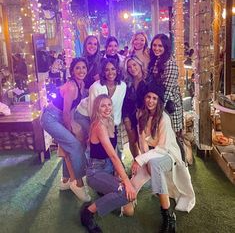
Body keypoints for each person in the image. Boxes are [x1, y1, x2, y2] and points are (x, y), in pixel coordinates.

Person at [130, 83, 195, 232]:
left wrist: (140, 159)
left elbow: (163, 148)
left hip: (168, 154)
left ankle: (168, 216)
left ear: (159, 101)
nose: (150, 101)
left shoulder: (163, 118)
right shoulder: (140, 114)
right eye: (148, 97)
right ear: (144, 98)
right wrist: (143, 159)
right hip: (151, 155)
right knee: (137, 179)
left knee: (154, 165)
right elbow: (142, 141)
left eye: (154, 98)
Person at [80, 94, 136, 233]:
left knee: (130, 210)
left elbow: (115, 153)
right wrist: (126, 181)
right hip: (96, 171)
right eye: (103, 106)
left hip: (109, 167)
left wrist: (119, 172)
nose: (107, 108)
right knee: (125, 193)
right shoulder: (99, 126)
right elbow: (112, 155)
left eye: (109, 105)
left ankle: (105, 192)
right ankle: (87, 213)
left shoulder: (110, 122)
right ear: (97, 109)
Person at [40, 57, 90, 202]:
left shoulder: (81, 85)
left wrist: (74, 126)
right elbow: (66, 113)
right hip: (50, 118)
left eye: (83, 68)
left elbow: (71, 110)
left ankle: (66, 180)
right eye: (77, 68)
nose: (81, 71)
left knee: (70, 144)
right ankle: (78, 183)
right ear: (72, 71)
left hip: (60, 117)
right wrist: (71, 129)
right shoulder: (72, 86)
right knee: (74, 145)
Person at [88, 58, 126, 157]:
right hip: (98, 124)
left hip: (113, 125)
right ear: (103, 72)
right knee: (100, 155)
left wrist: (113, 125)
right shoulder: (95, 87)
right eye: (107, 69)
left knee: (113, 154)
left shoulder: (123, 86)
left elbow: (118, 109)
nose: (110, 72)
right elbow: (91, 111)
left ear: (117, 70)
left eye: (113, 69)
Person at [148, 34, 184, 136]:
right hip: (158, 103)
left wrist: (157, 113)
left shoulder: (170, 64)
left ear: (166, 47)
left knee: (171, 139)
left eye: (160, 46)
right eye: (154, 45)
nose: (156, 48)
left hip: (169, 106)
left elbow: (166, 91)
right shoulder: (157, 60)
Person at [122, 56, 146, 158]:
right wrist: (126, 119)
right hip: (130, 116)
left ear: (140, 65)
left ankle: (146, 165)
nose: (132, 68)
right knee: (133, 141)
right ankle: (136, 163)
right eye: (129, 67)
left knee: (143, 142)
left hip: (145, 116)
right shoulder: (127, 83)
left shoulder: (148, 81)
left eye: (134, 65)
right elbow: (125, 103)